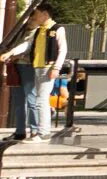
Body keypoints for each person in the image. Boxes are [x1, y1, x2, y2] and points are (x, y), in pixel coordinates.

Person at [2, 7, 67, 142]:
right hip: (38, 66)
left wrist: (56, 67)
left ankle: (42, 132)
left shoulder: (56, 29)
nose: (34, 18)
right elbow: (27, 44)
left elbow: (62, 50)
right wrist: (10, 53)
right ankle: (40, 132)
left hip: (47, 67)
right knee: (39, 99)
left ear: (45, 14)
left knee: (40, 100)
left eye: (36, 15)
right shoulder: (39, 30)